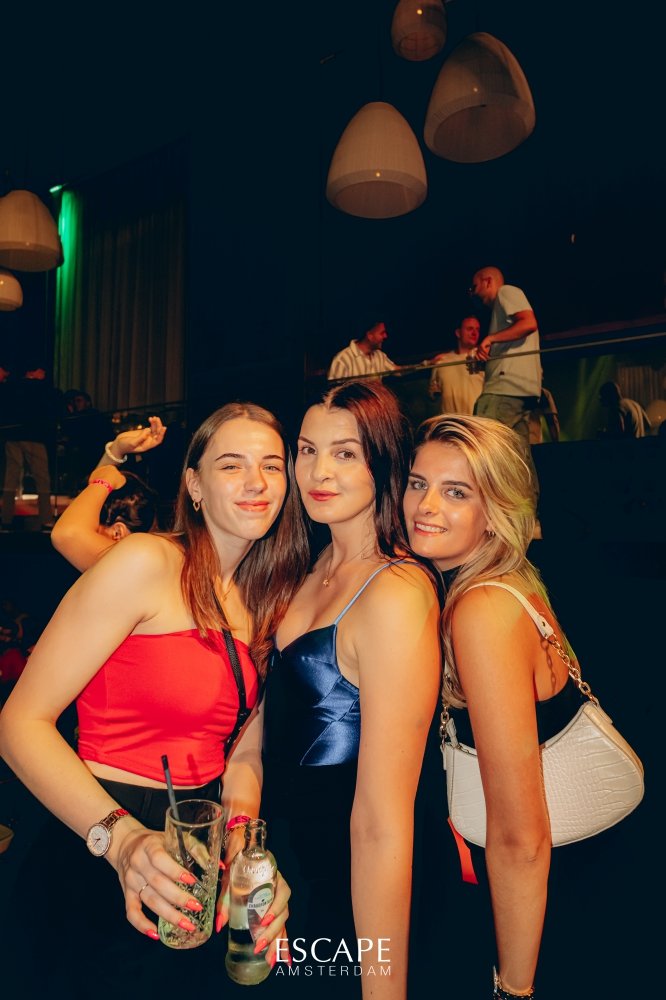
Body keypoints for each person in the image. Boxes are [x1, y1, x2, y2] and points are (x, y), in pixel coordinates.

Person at [0, 402, 310, 996]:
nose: (256, 482)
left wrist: (243, 841)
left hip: (197, 841)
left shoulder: (265, 600)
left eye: (272, 466)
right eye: (231, 465)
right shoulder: (146, 561)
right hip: (97, 827)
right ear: (194, 484)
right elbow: (19, 723)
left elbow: (243, 748)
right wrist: (120, 841)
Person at [261, 380, 441, 998]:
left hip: (351, 883)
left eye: (344, 453)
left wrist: (380, 983)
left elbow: (384, 820)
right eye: (307, 450)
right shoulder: (312, 563)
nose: (318, 472)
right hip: (290, 862)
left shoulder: (396, 592)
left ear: (383, 463)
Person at [404, 414, 590, 999]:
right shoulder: (506, 581)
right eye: (418, 483)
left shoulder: (482, 610)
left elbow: (519, 835)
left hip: (548, 907)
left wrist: (513, 989)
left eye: (456, 492)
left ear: (496, 511)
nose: (425, 506)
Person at [51, 418, 166, 571]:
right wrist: (116, 449)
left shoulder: (130, 563)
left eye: (93, 529)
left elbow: (67, 533)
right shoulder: (151, 557)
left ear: (117, 532)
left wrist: (105, 480)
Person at [470, 267, 541, 493]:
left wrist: (490, 338)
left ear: (488, 281)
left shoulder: (506, 292)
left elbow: (528, 323)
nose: (473, 293)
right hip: (521, 390)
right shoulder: (501, 309)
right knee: (519, 459)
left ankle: (483, 507)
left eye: (474, 286)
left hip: (504, 389)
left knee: (481, 447)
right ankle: (528, 510)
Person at [1, 364, 62, 531]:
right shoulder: (41, 389)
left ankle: (6, 518)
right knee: (42, 478)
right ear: (34, 371)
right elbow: (49, 409)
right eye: (41, 370)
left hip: (13, 436)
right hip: (34, 436)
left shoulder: (11, 387)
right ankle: (46, 519)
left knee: (11, 478)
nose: (44, 373)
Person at [428, 315, 485, 415]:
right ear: (458, 333)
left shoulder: (482, 358)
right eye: (470, 329)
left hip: (477, 419)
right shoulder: (442, 360)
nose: (474, 333)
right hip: (451, 421)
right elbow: (432, 394)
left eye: (477, 330)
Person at [327, 321, 398, 380]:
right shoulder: (342, 359)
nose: (385, 336)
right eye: (382, 333)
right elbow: (334, 390)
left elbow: (397, 371)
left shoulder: (380, 355)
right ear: (370, 336)